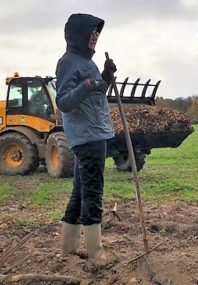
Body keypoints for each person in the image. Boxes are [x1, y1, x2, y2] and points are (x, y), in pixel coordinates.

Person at [55, 13, 117, 260]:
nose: (95, 38)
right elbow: (64, 102)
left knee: (80, 191)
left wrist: (105, 77)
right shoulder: (68, 62)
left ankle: (69, 249)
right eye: (91, 33)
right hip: (86, 136)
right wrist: (89, 85)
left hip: (95, 131)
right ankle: (96, 253)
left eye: (97, 34)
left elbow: (98, 91)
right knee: (93, 191)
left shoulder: (86, 62)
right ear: (78, 35)